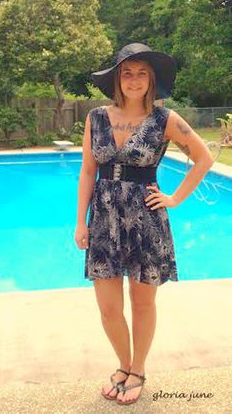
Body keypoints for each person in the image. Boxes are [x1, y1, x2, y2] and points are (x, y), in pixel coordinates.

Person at [75, 42, 213, 406]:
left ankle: (137, 369)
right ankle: (122, 363)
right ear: (117, 80)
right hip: (103, 218)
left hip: (145, 219)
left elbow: (204, 157)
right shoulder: (96, 117)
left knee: (141, 303)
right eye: (127, 72)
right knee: (108, 307)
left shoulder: (165, 119)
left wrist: (174, 198)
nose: (134, 80)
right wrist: (80, 223)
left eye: (141, 73)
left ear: (150, 80)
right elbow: (88, 170)